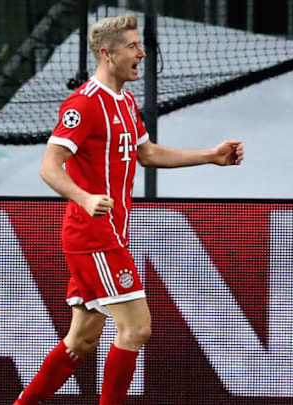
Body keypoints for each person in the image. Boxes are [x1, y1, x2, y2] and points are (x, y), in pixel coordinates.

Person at [13, 14, 244, 405]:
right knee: (137, 329)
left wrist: (210, 156)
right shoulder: (83, 105)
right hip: (93, 236)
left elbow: (147, 153)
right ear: (107, 53)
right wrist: (85, 198)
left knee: (83, 340)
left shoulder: (124, 101)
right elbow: (48, 167)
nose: (142, 53)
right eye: (133, 47)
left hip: (109, 234)